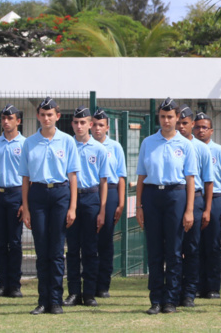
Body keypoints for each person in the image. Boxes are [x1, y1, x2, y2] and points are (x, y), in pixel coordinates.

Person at [19, 97, 81, 315]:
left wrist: (72, 207)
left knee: (56, 250)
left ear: (57, 116)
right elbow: (25, 178)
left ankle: (55, 300)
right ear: (38, 116)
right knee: (41, 249)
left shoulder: (67, 141)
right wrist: (25, 207)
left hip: (60, 194)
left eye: (50, 114)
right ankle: (43, 300)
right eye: (43, 115)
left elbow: (73, 176)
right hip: (37, 194)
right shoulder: (29, 142)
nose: (46, 118)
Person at [136, 98, 198, 315]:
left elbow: (190, 179)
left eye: (170, 116)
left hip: (176, 196)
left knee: (173, 250)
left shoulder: (186, 145)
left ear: (177, 118)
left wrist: (189, 209)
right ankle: (155, 299)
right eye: (162, 116)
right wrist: (139, 206)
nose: (166, 120)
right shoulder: (148, 142)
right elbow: (142, 176)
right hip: (153, 196)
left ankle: (171, 299)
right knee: (154, 250)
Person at [64, 106, 108, 307]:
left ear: (90, 124)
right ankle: (73, 292)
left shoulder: (99, 149)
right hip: (69, 199)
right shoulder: (66, 145)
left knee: (90, 249)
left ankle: (89, 293)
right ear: (71, 124)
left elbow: (104, 181)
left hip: (90, 198)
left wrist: (102, 210)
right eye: (75, 122)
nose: (79, 126)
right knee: (72, 249)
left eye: (83, 122)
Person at [193, 112, 221, 300]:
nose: (201, 130)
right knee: (193, 245)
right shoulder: (188, 148)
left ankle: (212, 287)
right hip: (194, 198)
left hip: (216, 199)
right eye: (197, 127)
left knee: (212, 245)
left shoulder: (220, 151)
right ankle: (194, 285)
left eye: (204, 127)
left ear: (211, 130)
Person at [175, 104, 213, 308]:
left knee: (192, 247)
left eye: (184, 123)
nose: (181, 127)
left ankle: (189, 292)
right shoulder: (170, 144)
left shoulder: (201, 148)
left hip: (196, 200)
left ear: (192, 124)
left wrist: (207, 209)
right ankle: (174, 289)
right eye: (178, 122)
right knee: (173, 248)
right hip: (174, 198)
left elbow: (209, 181)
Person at [91, 108, 127, 299]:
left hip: (111, 192)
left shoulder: (115, 147)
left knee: (105, 240)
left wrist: (121, 203)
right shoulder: (82, 145)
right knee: (89, 240)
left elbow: (121, 176)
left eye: (101, 125)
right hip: (90, 192)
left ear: (107, 127)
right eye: (94, 125)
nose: (97, 129)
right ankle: (88, 282)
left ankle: (103, 285)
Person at [0, 104, 26, 298]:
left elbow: (28, 176)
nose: (6, 122)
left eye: (10, 118)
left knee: (15, 241)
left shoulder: (25, 144)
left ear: (18, 121)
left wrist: (24, 202)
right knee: (0, 243)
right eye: (3, 118)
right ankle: (2, 283)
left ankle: (15, 284)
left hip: (16, 194)